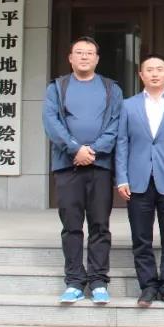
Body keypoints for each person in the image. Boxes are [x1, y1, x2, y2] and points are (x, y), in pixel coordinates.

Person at [42, 36, 123, 305]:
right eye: (79, 52)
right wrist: (75, 149)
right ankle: (74, 281)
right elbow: (51, 122)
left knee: (100, 225)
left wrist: (93, 151)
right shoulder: (57, 87)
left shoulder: (111, 88)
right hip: (68, 167)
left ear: (97, 59)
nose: (84, 56)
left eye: (89, 53)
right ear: (70, 58)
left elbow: (115, 124)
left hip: (100, 166)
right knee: (71, 225)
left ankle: (98, 280)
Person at [114, 53, 164, 308]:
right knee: (141, 238)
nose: (155, 73)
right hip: (138, 181)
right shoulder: (128, 106)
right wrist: (121, 178)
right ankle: (147, 287)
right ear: (141, 75)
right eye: (149, 69)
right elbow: (122, 143)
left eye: (160, 69)